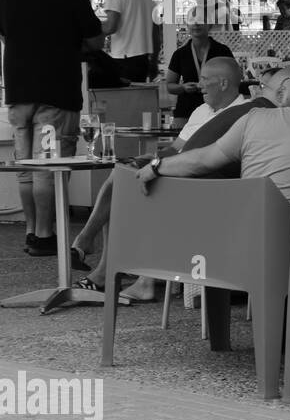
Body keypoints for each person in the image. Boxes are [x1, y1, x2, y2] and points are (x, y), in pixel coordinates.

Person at [72, 57, 270, 294]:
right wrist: (147, 159)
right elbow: (177, 148)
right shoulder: (201, 110)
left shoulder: (244, 114)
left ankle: (113, 267)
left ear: (224, 83)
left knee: (129, 189)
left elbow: (210, 159)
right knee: (122, 175)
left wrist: (157, 165)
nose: (199, 85)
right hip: (176, 172)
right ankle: (98, 256)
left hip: (202, 188)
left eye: (205, 80)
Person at [0, 0, 104, 257]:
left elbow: (4, 33)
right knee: (48, 165)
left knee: (27, 167)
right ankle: (46, 235)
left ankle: (32, 231)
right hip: (55, 93)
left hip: (18, 92)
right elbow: (96, 41)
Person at [135, 69, 290, 204]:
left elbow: (203, 157)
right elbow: (203, 160)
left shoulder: (248, 112)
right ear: (282, 93)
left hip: (184, 191)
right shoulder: (260, 118)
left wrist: (156, 165)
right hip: (210, 201)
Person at [101, 0, 157, 82]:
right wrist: (154, 59)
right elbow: (155, 29)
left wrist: (90, 28)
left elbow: (110, 27)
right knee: (139, 100)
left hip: (123, 57)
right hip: (144, 57)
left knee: (123, 100)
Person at [165, 16, 235, 119]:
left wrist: (215, 85)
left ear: (210, 25)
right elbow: (170, 86)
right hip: (186, 113)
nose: (196, 24)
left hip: (217, 111)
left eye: (201, 20)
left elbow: (234, 80)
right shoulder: (180, 54)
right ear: (188, 25)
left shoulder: (222, 51)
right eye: (192, 21)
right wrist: (183, 87)